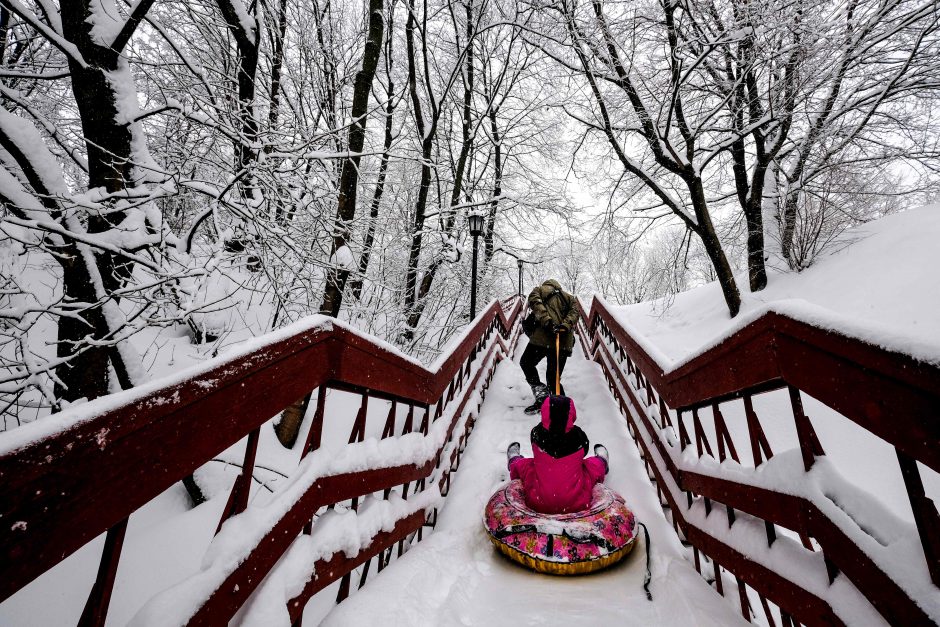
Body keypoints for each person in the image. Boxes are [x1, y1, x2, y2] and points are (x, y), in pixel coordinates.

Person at [506, 395, 609, 514]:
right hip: (576, 502)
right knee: (589, 467)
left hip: (538, 501)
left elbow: (535, 448)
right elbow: (584, 452)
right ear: (572, 414)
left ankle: (514, 460)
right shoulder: (579, 436)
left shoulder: (537, 433)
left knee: (526, 466)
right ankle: (602, 460)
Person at [521, 279, 579, 414]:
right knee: (553, 377)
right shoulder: (570, 298)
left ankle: (541, 395)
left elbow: (535, 303)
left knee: (526, 363)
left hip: (541, 339)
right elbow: (574, 314)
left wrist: (547, 321)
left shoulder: (539, 290)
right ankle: (562, 411)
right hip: (563, 341)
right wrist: (565, 325)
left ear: (547, 284)